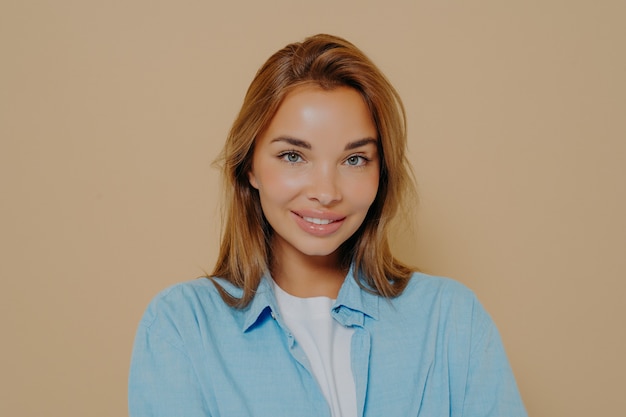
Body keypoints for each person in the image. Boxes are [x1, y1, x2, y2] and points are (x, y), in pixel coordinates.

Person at [128, 34, 527, 417]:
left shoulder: (451, 319)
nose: (326, 191)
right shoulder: (182, 326)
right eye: (292, 156)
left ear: (380, 173)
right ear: (250, 165)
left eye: (354, 160)